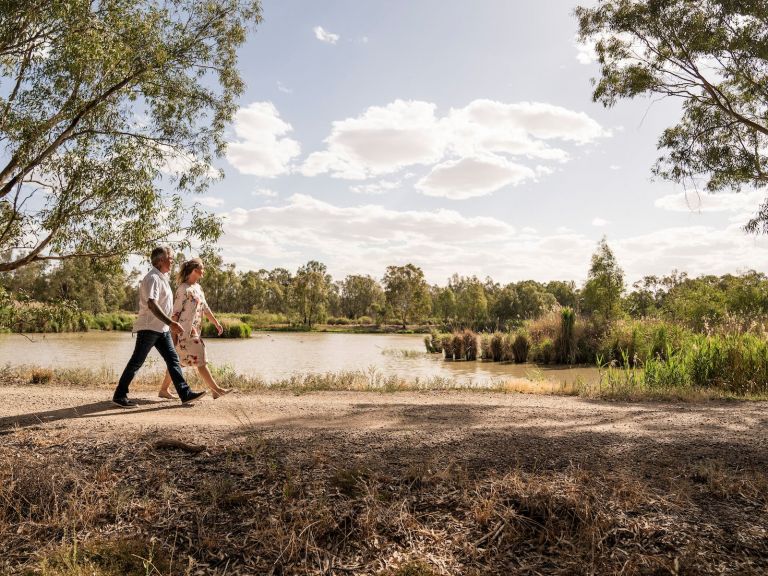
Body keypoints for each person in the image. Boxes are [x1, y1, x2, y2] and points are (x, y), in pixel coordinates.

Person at [112, 246, 206, 407]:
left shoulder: (162, 277)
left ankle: (185, 393)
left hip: (161, 329)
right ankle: (119, 395)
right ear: (161, 260)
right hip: (149, 328)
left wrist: (168, 324)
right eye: (170, 258)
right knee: (136, 362)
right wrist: (171, 323)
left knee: (173, 360)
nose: (172, 261)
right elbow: (152, 303)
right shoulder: (153, 278)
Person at [157, 257, 232, 400]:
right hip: (184, 332)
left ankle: (163, 389)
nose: (204, 270)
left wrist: (216, 323)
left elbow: (205, 308)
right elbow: (175, 313)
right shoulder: (182, 289)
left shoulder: (198, 288)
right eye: (202, 268)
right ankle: (216, 390)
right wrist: (173, 335)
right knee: (201, 358)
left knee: (179, 362)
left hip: (196, 330)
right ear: (195, 270)